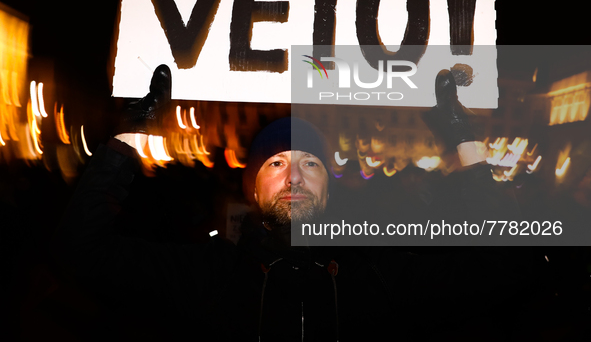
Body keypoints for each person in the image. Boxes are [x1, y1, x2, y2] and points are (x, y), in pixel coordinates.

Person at [54, 65, 530, 341]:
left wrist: (462, 141)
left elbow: (506, 267)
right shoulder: (209, 274)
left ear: (329, 185)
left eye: (312, 164)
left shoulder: (379, 275)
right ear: (252, 189)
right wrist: (126, 137)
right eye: (276, 164)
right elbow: (85, 251)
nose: (296, 176)